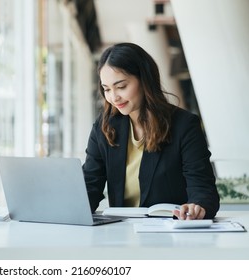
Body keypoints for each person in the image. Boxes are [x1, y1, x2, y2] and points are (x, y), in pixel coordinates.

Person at [82, 42, 220, 220]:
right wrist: (68, 207)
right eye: (107, 89)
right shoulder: (104, 127)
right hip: (120, 233)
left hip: (170, 232)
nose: (114, 97)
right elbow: (90, 185)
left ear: (144, 80)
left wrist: (197, 207)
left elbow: (203, 189)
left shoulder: (184, 125)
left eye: (121, 86)